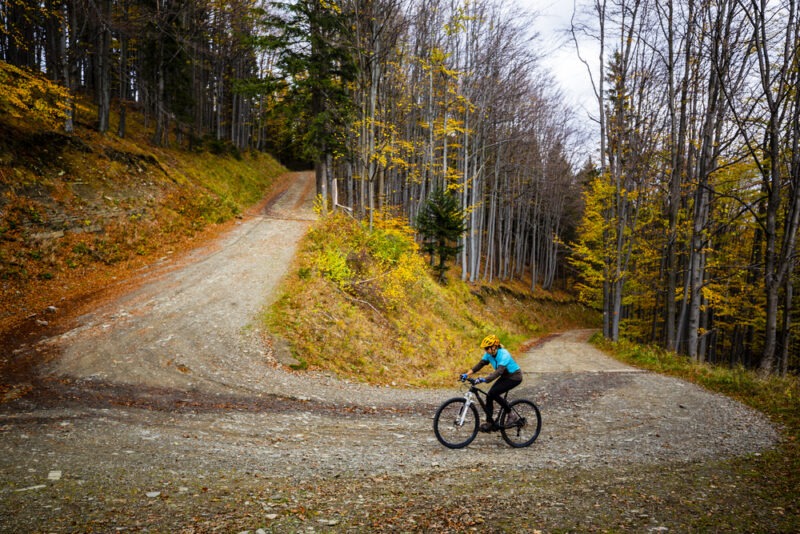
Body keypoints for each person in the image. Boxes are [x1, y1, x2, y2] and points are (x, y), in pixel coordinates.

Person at [461, 334, 523, 432]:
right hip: (505, 377)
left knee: (494, 393)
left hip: (514, 377)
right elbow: (480, 364)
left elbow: (499, 371)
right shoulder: (489, 354)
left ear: (494, 347)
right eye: (485, 349)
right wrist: (467, 374)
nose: (485, 350)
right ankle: (489, 423)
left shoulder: (504, 354)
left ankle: (511, 415)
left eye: (487, 348)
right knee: (489, 395)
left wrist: (484, 379)